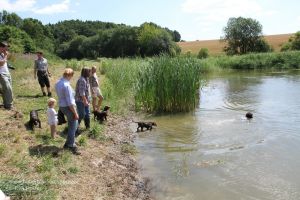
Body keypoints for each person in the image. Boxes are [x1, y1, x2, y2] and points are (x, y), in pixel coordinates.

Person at [55, 68, 80, 155]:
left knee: (73, 125)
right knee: (73, 126)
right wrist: (75, 113)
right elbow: (70, 102)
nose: (71, 78)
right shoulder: (66, 86)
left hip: (62, 106)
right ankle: (70, 145)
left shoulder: (58, 82)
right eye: (71, 76)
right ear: (69, 75)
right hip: (68, 107)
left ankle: (69, 142)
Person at [75, 67, 91, 132]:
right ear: (86, 72)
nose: (90, 73)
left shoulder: (86, 79)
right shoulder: (82, 80)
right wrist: (85, 101)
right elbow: (82, 93)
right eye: (89, 72)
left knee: (87, 113)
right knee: (81, 114)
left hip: (85, 100)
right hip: (80, 101)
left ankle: (88, 127)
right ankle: (75, 128)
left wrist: (88, 99)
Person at [0, 41, 13, 110]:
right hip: (1, 74)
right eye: (5, 48)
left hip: (7, 73)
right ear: (1, 47)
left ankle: (6, 104)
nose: (6, 50)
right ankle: (9, 105)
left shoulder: (3, 54)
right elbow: (1, 63)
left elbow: (9, 58)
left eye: (7, 48)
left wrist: (7, 55)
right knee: (8, 88)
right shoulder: (2, 55)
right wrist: (5, 56)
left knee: (6, 89)